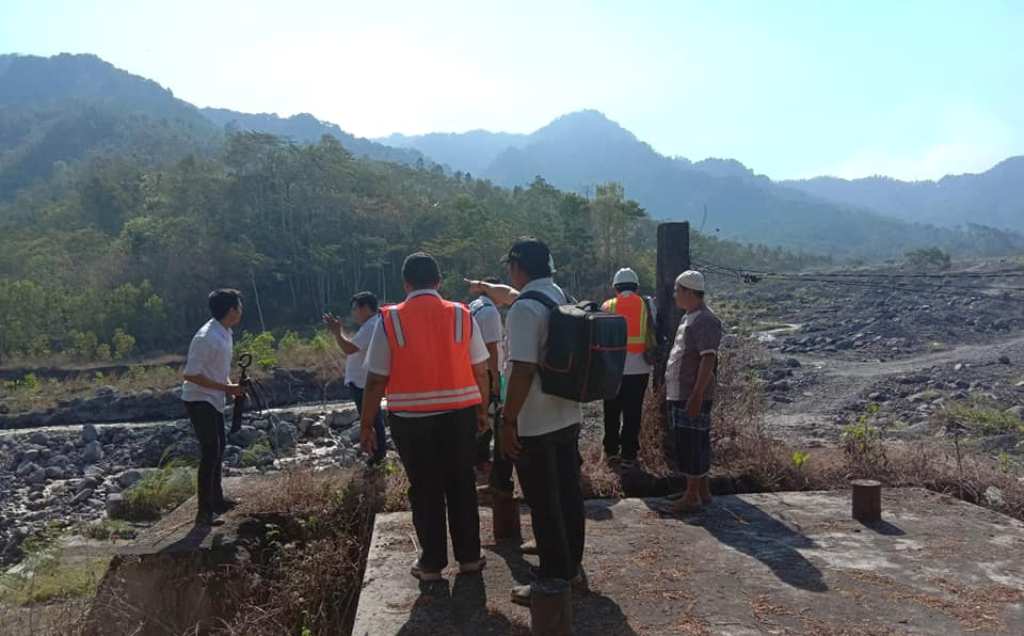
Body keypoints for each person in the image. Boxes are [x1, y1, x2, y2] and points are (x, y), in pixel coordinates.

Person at [359, 252, 491, 581]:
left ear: (405, 283)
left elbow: (376, 379)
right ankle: (470, 558)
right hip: (460, 414)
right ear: (439, 281)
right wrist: (483, 410)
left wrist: (366, 422)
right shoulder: (462, 315)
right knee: (461, 483)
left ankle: (432, 563)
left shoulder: (388, 320)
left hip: (411, 419)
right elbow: (481, 369)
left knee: (425, 488)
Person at [498, 237, 586, 607]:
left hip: (535, 419)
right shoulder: (560, 296)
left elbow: (521, 370)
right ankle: (571, 568)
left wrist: (507, 421)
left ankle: (552, 579)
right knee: (568, 495)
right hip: (568, 412)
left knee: (543, 502)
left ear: (518, 267)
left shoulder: (524, 309)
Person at [181, 289, 247, 527]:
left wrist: (231, 386)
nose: (241, 309)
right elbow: (191, 374)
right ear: (231, 310)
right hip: (199, 399)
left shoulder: (225, 333)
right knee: (210, 451)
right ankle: (203, 512)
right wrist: (227, 389)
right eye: (239, 305)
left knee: (219, 448)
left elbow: (218, 370)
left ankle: (217, 500)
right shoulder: (205, 337)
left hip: (214, 397)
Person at [665, 270, 722, 513]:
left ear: (689, 292)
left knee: (692, 444)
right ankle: (701, 491)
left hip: (691, 393)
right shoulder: (690, 317)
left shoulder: (705, 320)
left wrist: (697, 394)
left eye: (678, 291)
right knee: (692, 441)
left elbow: (708, 359)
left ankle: (692, 496)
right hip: (682, 391)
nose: (675, 295)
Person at [601, 268, 656, 470]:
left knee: (611, 412)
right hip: (640, 367)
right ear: (637, 287)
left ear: (615, 287)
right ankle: (629, 456)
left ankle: (611, 453)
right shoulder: (647, 305)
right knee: (633, 413)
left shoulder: (608, 305)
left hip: (613, 369)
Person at [323, 292, 386, 465]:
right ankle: (377, 454)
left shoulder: (371, 325)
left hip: (364, 382)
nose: (353, 313)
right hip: (364, 381)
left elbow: (350, 348)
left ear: (365, 308)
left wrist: (337, 333)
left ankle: (377, 456)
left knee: (371, 419)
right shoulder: (373, 324)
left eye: (354, 309)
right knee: (373, 417)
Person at [469, 277, 513, 494]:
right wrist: (495, 379)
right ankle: (485, 464)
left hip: (473, 370)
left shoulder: (474, 306)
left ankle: (479, 460)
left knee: (480, 416)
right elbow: (492, 349)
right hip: (485, 371)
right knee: (490, 418)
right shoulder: (489, 312)